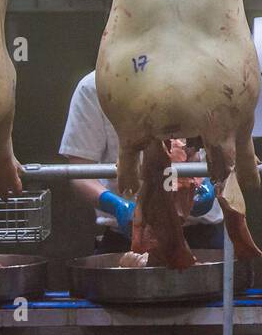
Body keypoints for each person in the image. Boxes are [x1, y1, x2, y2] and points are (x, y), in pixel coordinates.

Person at [59, 71, 224, 254]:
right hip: (128, 236)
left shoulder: (205, 78)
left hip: (202, 235)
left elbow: (227, 153)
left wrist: (209, 183)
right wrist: (117, 205)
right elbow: (79, 172)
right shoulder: (94, 87)